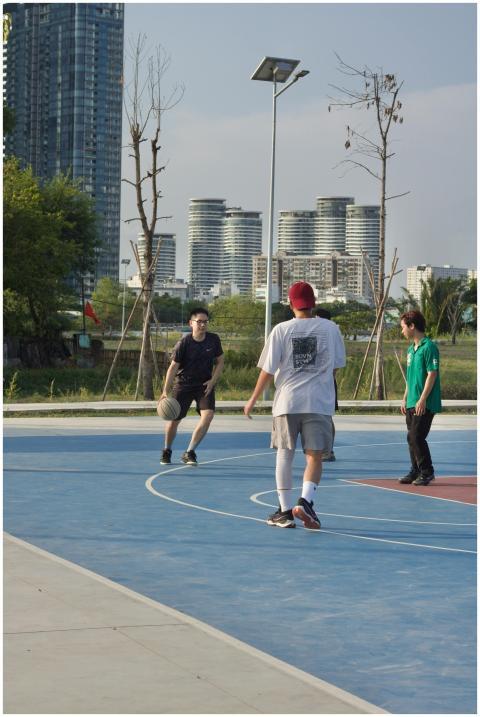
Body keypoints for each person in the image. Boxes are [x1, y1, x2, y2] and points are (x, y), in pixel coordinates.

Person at [244, 281, 346, 530]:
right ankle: (306, 501)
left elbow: (268, 370)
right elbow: (336, 365)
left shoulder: (281, 329)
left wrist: (253, 399)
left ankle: (285, 511)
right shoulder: (330, 328)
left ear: (291, 304)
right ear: (314, 304)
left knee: (284, 454)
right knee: (315, 456)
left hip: (287, 401)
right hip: (319, 401)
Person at [159, 308, 224, 466]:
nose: (202, 324)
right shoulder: (184, 342)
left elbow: (220, 361)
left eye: (205, 322)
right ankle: (167, 450)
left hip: (204, 385)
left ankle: (190, 452)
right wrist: (165, 391)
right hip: (184, 385)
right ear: (191, 323)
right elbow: (173, 367)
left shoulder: (213, 339)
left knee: (207, 416)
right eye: (199, 321)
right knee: (174, 420)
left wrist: (212, 381)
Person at [398, 310, 442, 486]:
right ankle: (415, 470)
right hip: (411, 401)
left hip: (425, 402)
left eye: (403, 327)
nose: (402, 331)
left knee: (416, 437)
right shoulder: (411, 349)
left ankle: (427, 471)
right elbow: (410, 377)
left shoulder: (429, 347)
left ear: (412, 326)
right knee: (411, 437)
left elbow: (432, 374)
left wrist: (422, 399)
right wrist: (405, 398)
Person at [315, 307, 339, 461]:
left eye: (316, 318)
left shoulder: (333, 335)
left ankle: (328, 450)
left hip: (327, 383)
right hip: (317, 383)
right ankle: (324, 449)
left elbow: (336, 364)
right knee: (319, 416)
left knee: (326, 417)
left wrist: (327, 378)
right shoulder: (319, 335)